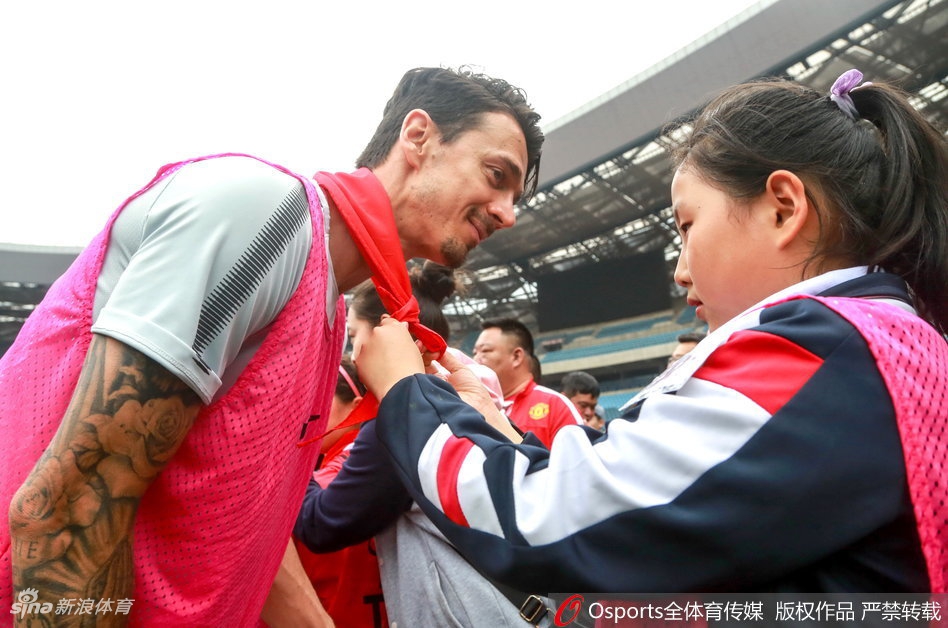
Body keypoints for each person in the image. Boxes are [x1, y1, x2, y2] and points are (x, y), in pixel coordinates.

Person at [354, 70, 948, 598]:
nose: (680, 267)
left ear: (783, 209)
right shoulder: (879, 340)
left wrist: (406, 388)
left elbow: (545, 520)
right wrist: (489, 421)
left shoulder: (820, 348)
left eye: (687, 225)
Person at [1, 66, 543, 626]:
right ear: (418, 136)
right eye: (495, 174)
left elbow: (233, 509)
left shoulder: (327, 303)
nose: (508, 213)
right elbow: (70, 508)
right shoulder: (263, 212)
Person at [292, 264, 536, 627]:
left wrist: (288, 455)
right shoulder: (464, 402)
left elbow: (322, 523)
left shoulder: (403, 418)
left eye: (355, 334)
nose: (354, 351)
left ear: (388, 335)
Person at [473, 318, 582, 447]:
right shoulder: (471, 409)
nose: (475, 359)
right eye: (475, 352)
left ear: (516, 357)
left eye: (485, 351)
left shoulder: (555, 405)